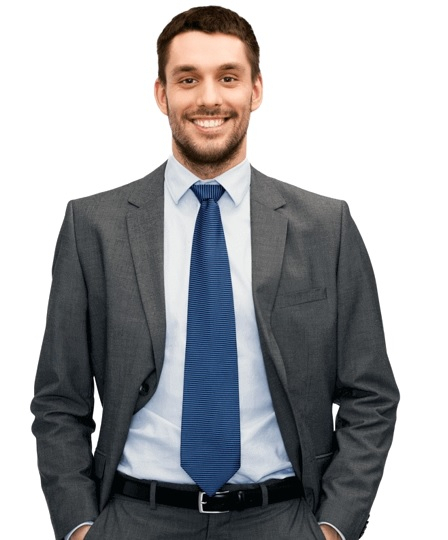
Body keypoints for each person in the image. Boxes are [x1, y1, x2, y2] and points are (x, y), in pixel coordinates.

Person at [31, 6, 399, 540]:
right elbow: (59, 399)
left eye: (228, 77)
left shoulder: (326, 227)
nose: (209, 98)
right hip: (134, 518)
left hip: (281, 519)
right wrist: (79, 525)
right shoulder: (94, 227)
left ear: (256, 90)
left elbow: (371, 395)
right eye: (188, 79)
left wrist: (334, 526)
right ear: (162, 94)